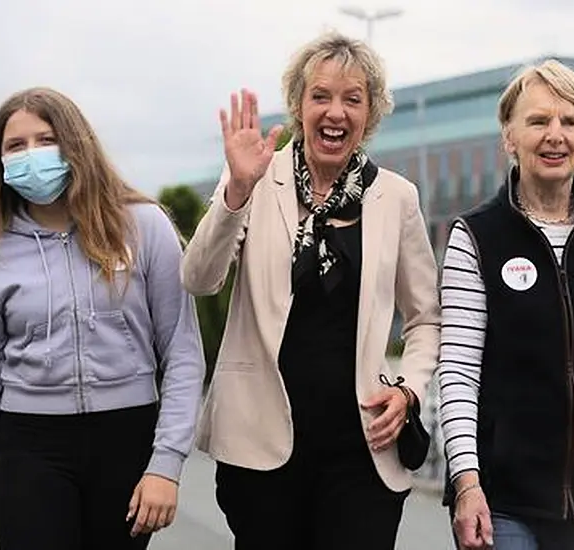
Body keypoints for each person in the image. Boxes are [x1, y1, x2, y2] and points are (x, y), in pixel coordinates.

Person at [0, 87, 206, 550]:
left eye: (45, 140)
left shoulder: (145, 227)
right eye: (16, 146)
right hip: (30, 446)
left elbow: (184, 353)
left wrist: (165, 464)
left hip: (124, 437)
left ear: (75, 145)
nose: (32, 155)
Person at [181, 31, 441, 549]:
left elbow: (426, 318)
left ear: (370, 114)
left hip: (362, 450)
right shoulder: (255, 176)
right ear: (300, 106)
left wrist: (409, 389)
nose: (335, 112)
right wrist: (235, 192)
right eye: (321, 95)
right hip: (261, 447)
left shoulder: (396, 198)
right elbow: (199, 278)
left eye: (353, 98)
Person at [437, 59, 574, 550]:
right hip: (503, 501)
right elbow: (456, 370)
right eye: (538, 121)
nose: (554, 135)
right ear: (509, 137)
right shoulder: (475, 236)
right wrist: (466, 483)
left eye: (570, 121)